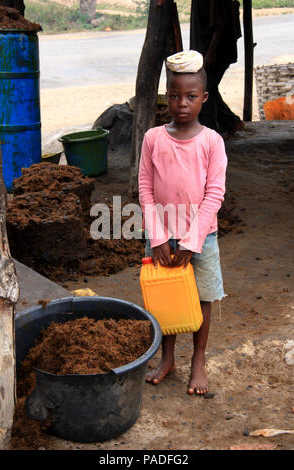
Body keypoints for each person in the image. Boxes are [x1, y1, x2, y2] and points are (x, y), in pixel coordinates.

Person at [138, 50, 227, 395]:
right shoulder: (153, 139)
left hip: (202, 238)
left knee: (201, 297)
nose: (182, 104)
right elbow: (145, 188)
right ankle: (168, 357)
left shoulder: (212, 142)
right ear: (167, 96)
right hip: (161, 236)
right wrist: (157, 236)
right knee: (166, 298)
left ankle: (199, 359)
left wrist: (191, 242)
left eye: (191, 96)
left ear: (204, 97)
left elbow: (214, 195)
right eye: (174, 96)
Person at [190, 0, 244, 138]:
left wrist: (211, 53)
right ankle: (230, 122)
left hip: (215, 50)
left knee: (205, 89)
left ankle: (211, 133)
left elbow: (221, 25)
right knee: (207, 88)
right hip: (207, 50)